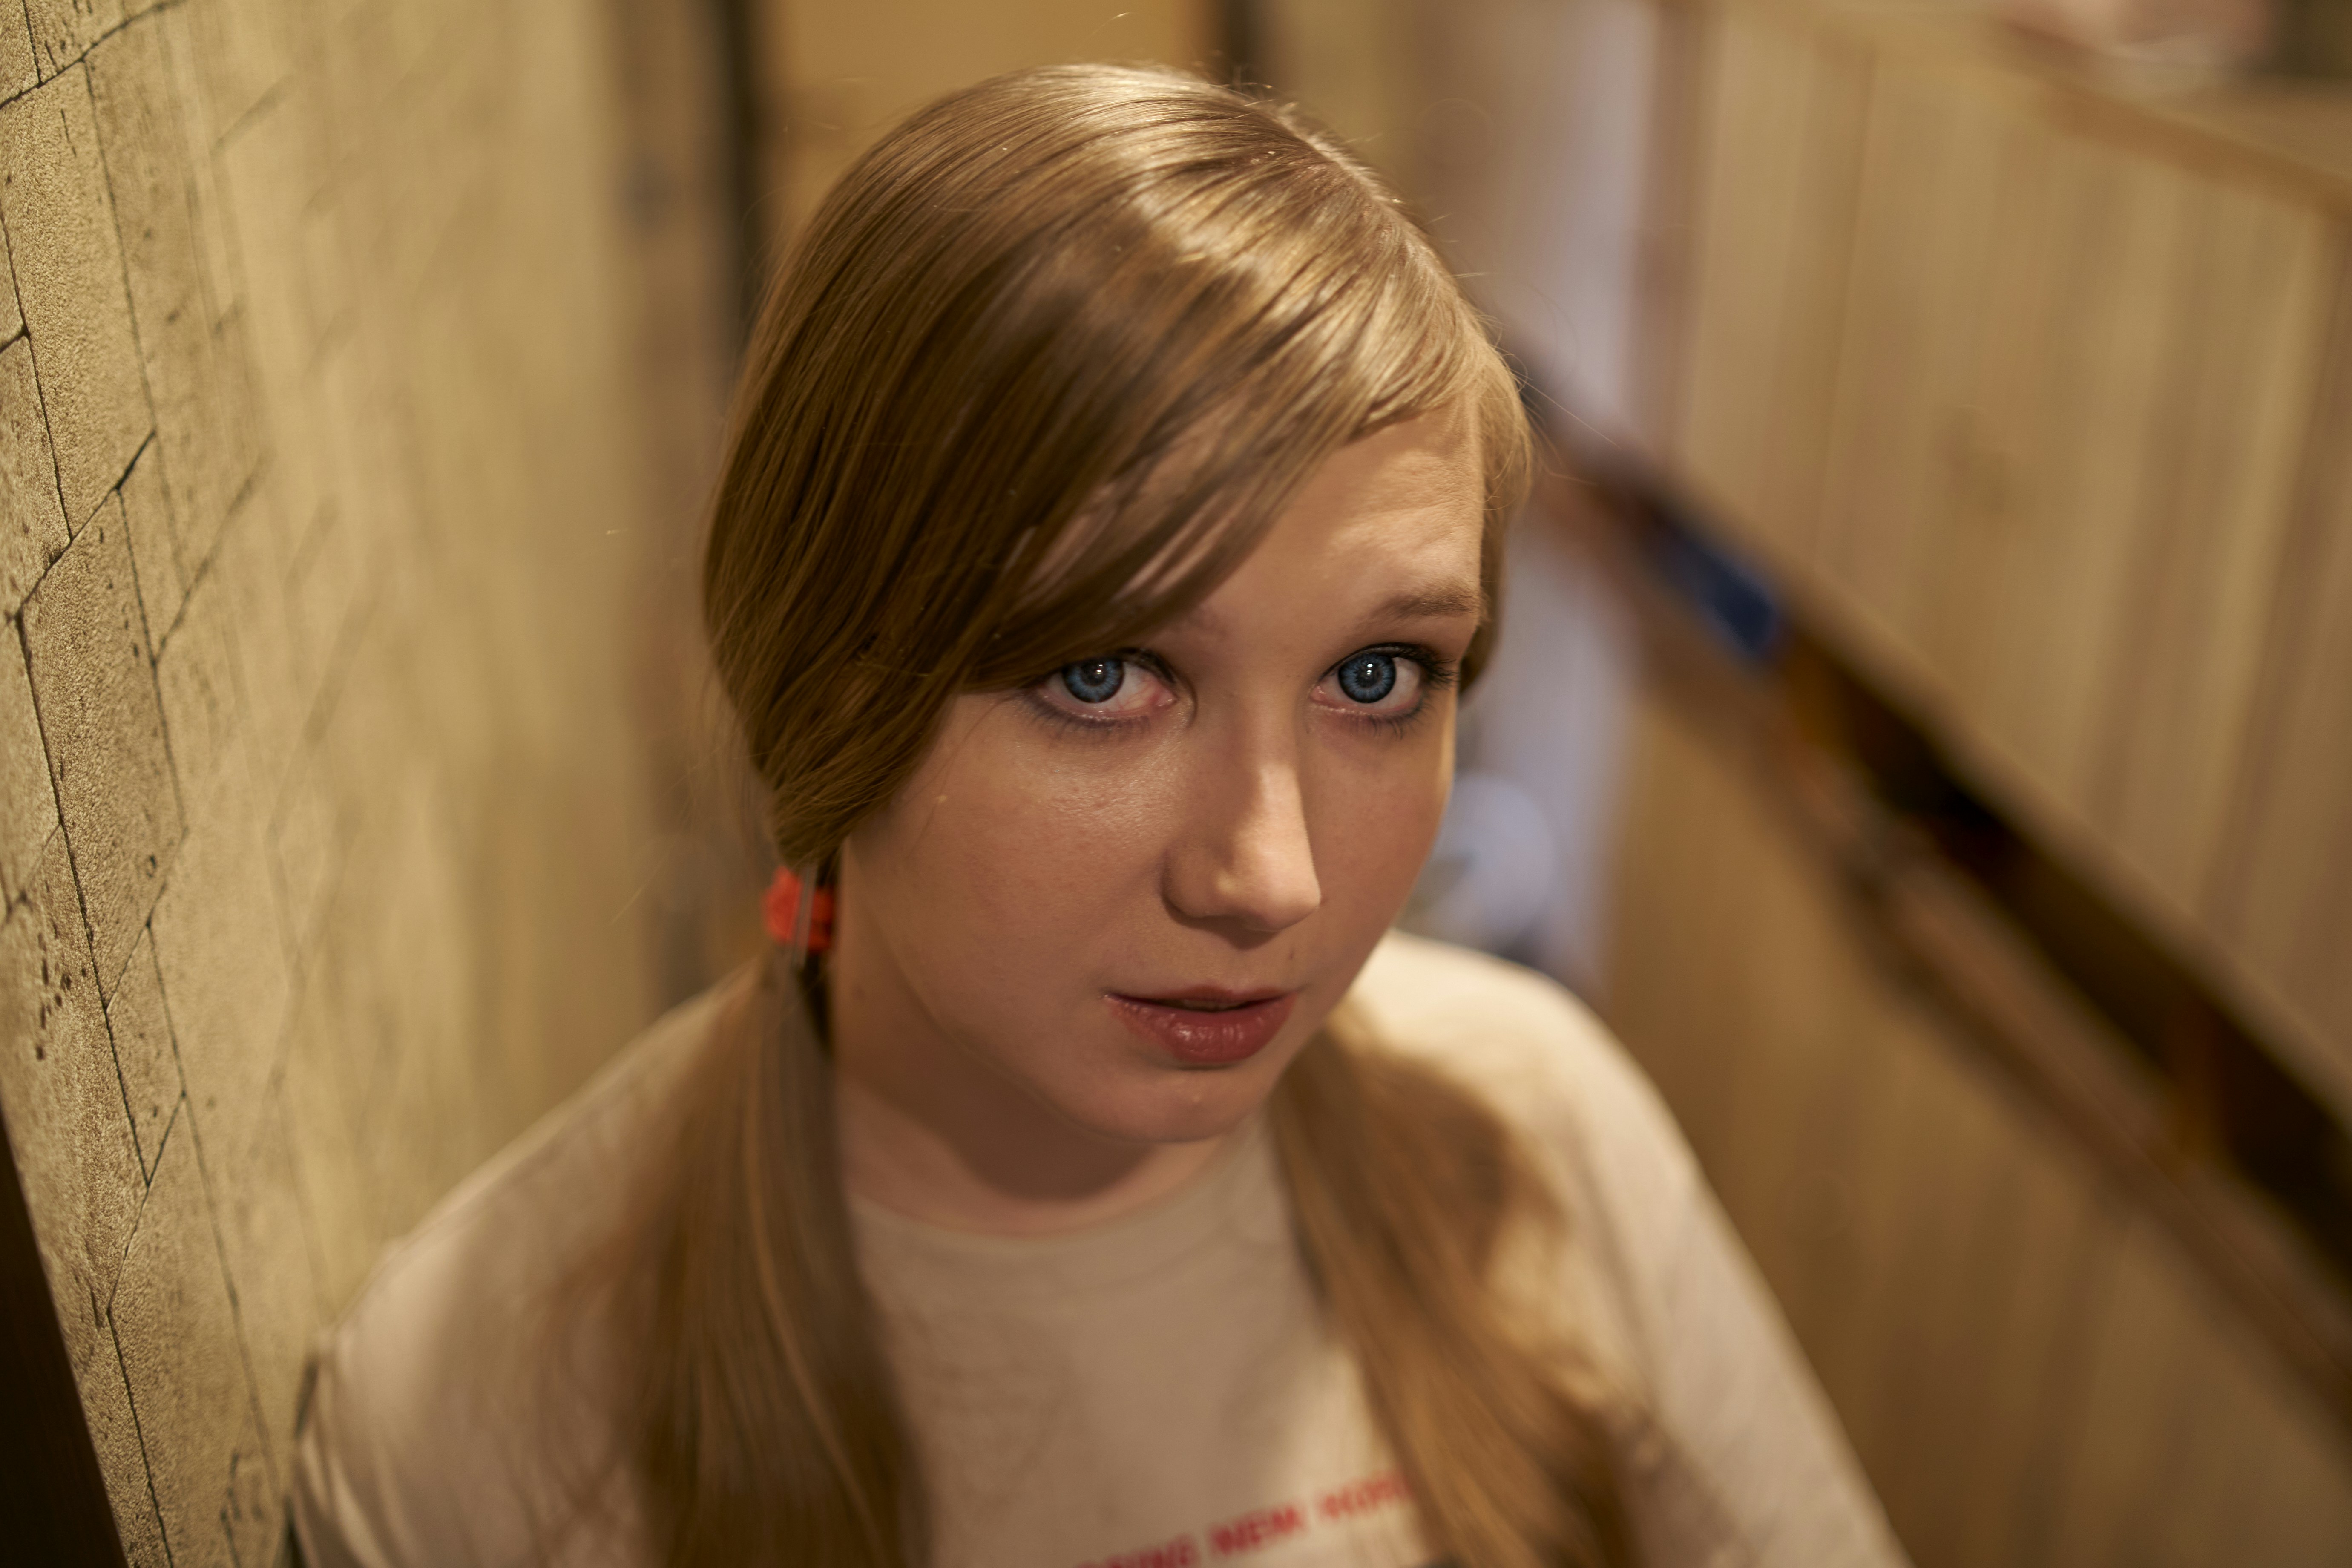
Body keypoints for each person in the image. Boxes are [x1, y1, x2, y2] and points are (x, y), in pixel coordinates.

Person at [288, 63, 1904, 1568]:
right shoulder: (477, 1413)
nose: (1267, 877)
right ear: (826, 676)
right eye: (1104, 672)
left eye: (1376, 676)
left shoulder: (1536, 1129)